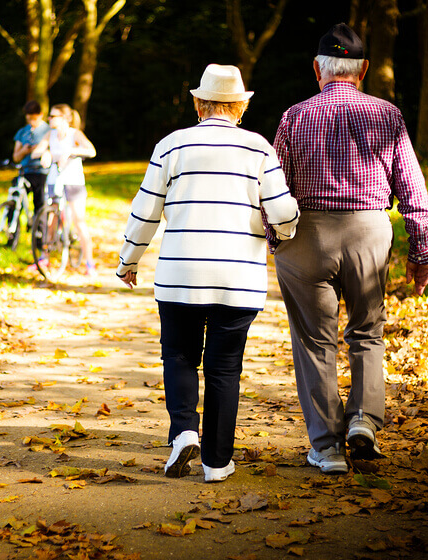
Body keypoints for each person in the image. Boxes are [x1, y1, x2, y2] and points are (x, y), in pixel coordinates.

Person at [117, 64, 300, 483]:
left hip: (181, 274)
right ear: (240, 107)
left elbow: (146, 210)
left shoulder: (171, 146)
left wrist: (129, 260)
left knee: (179, 355)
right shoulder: (258, 148)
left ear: (199, 103)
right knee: (224, 367)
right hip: (238, 279)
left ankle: (183, 431)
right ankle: (217, 463)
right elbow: (284, 211)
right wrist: (285, 233)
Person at [267, 23, 428, 475]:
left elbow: (275, 187)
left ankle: (326, 448)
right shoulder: (388, 115)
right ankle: (363, 420)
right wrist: (421, 253)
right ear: (362, 70)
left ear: (318, 70)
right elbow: (412, 190)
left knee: (313, 340)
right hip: (369, 232)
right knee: (367, 331)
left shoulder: (295, 116)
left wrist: (272, 240)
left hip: (308, 235)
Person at [31, 103, 98, 275]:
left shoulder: (74, 133)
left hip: (73, 181)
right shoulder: (50, 134)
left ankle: (89, 263)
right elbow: (35, 153)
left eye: (53, 116)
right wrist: (46, 153)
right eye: (50, 116)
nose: (49, 119)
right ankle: (44, 258)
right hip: (55, 180)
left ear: (65, 118)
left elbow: (91, 151)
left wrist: (70, 151)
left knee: (79, 220)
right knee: (50, 219)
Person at [12, 100, 52, 218]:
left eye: (34, 119)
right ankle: (12, 227)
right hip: (26, 171)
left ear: (40, 115)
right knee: (15, 196)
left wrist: (43, 151)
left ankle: (39, 230)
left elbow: (54, 149)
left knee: (40, 202)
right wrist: (24, 151)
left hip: (41, 171)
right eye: (29, 119)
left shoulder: (48, 130)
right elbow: (15, 157)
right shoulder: (23, 132)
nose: (32, 122)